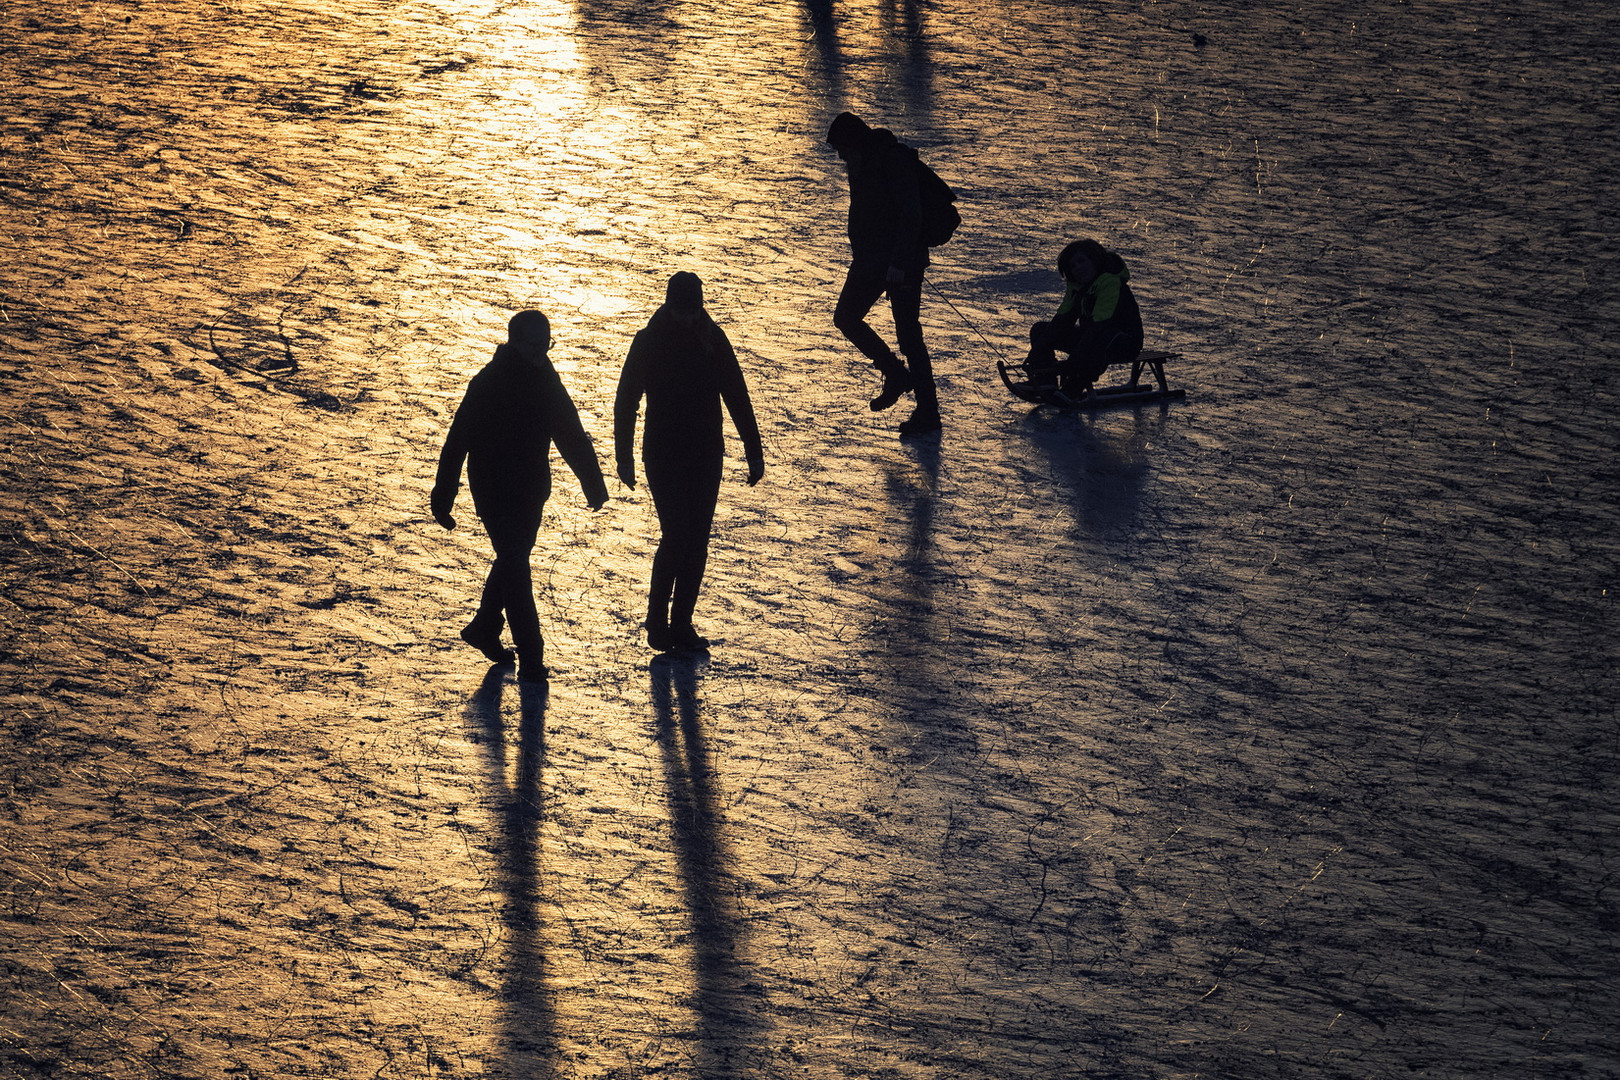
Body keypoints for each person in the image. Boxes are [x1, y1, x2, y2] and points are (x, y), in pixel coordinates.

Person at [432, 310, 609, 682]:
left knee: (512, 561)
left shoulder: (545, 377)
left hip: (530, 491)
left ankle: (483, 625)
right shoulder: (488, 382)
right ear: (514, 340)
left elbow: (569, 431)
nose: (541, 352)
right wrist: (444, 494)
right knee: (516, 567)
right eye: (535, 345)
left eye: (546, 345)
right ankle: (531, 656)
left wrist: (592, 482)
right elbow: (458, 438)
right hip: (494, 489)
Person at [615, 272, 764, 653]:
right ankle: (656, 621)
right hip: (663, 453)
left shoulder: (712, 339)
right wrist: (624, 455)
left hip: (705, 452)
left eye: (693, 310)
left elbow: (736, 393)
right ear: (669, 305)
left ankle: (681, 623)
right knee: (677, 534)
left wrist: (753, 448)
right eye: (681, 311)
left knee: (697, 540)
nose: (687, 318)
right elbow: (626, 399)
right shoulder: (649, 341)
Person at [825, 111, 942, 437]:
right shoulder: (860, 163)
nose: (840, 156)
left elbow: (911, 215)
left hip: (900, 263)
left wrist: (899, 263)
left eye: (840, 148)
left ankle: (929, 413)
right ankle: (894, 373)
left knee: (909, 337)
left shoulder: (893, 161)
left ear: (854, 140)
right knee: (846, 317)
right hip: (869, 262)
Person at [1025, 238, 1144, 400]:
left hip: (1123, 343)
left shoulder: (1110, 283)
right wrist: (1036, 353)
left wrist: (1074, 362)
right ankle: (1045, 380)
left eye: (1081, 261)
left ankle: (1074, 387)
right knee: (1041, 330)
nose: (1078, 268)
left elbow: (1101, 324)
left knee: (1102, 337)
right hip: (1092, 337)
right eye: (1073, 266)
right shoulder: (1077, 288)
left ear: (1094, 260)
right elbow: (1062, 321)